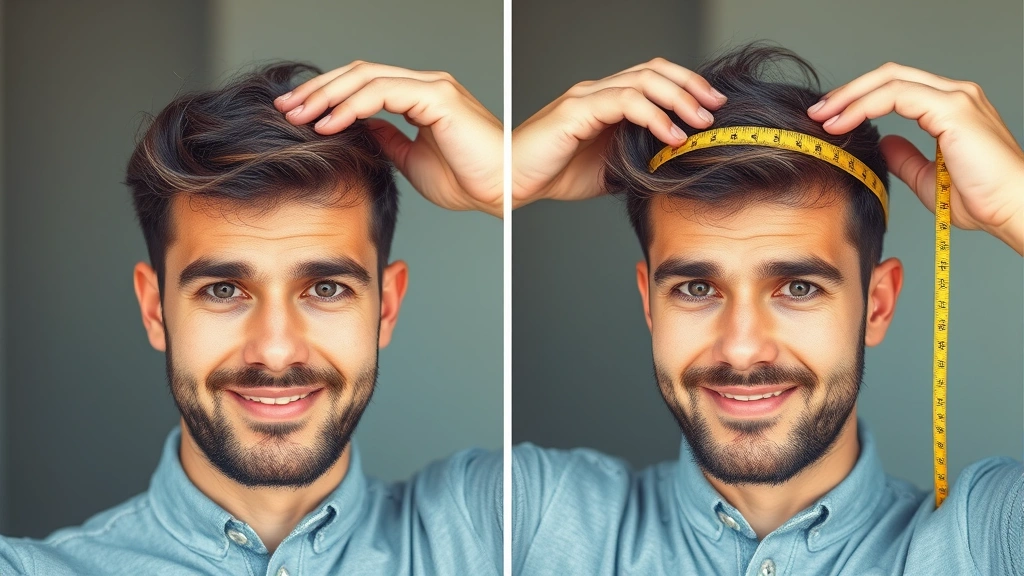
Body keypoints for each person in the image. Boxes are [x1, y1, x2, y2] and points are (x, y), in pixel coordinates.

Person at [511, 43, 1023, 575]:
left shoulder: (991, 543)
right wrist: (503, 181)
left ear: (877, 305)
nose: (742, 348)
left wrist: (1016, 204)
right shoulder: (528, 522)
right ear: (649, 304)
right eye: (695, 289)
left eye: (798, 288)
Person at [0, 62, 503, 575]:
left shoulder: (508, 528)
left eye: (326, 289)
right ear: (155, 310)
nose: (277, 350)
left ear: (387, 307)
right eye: (223, 290)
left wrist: (508, 184)